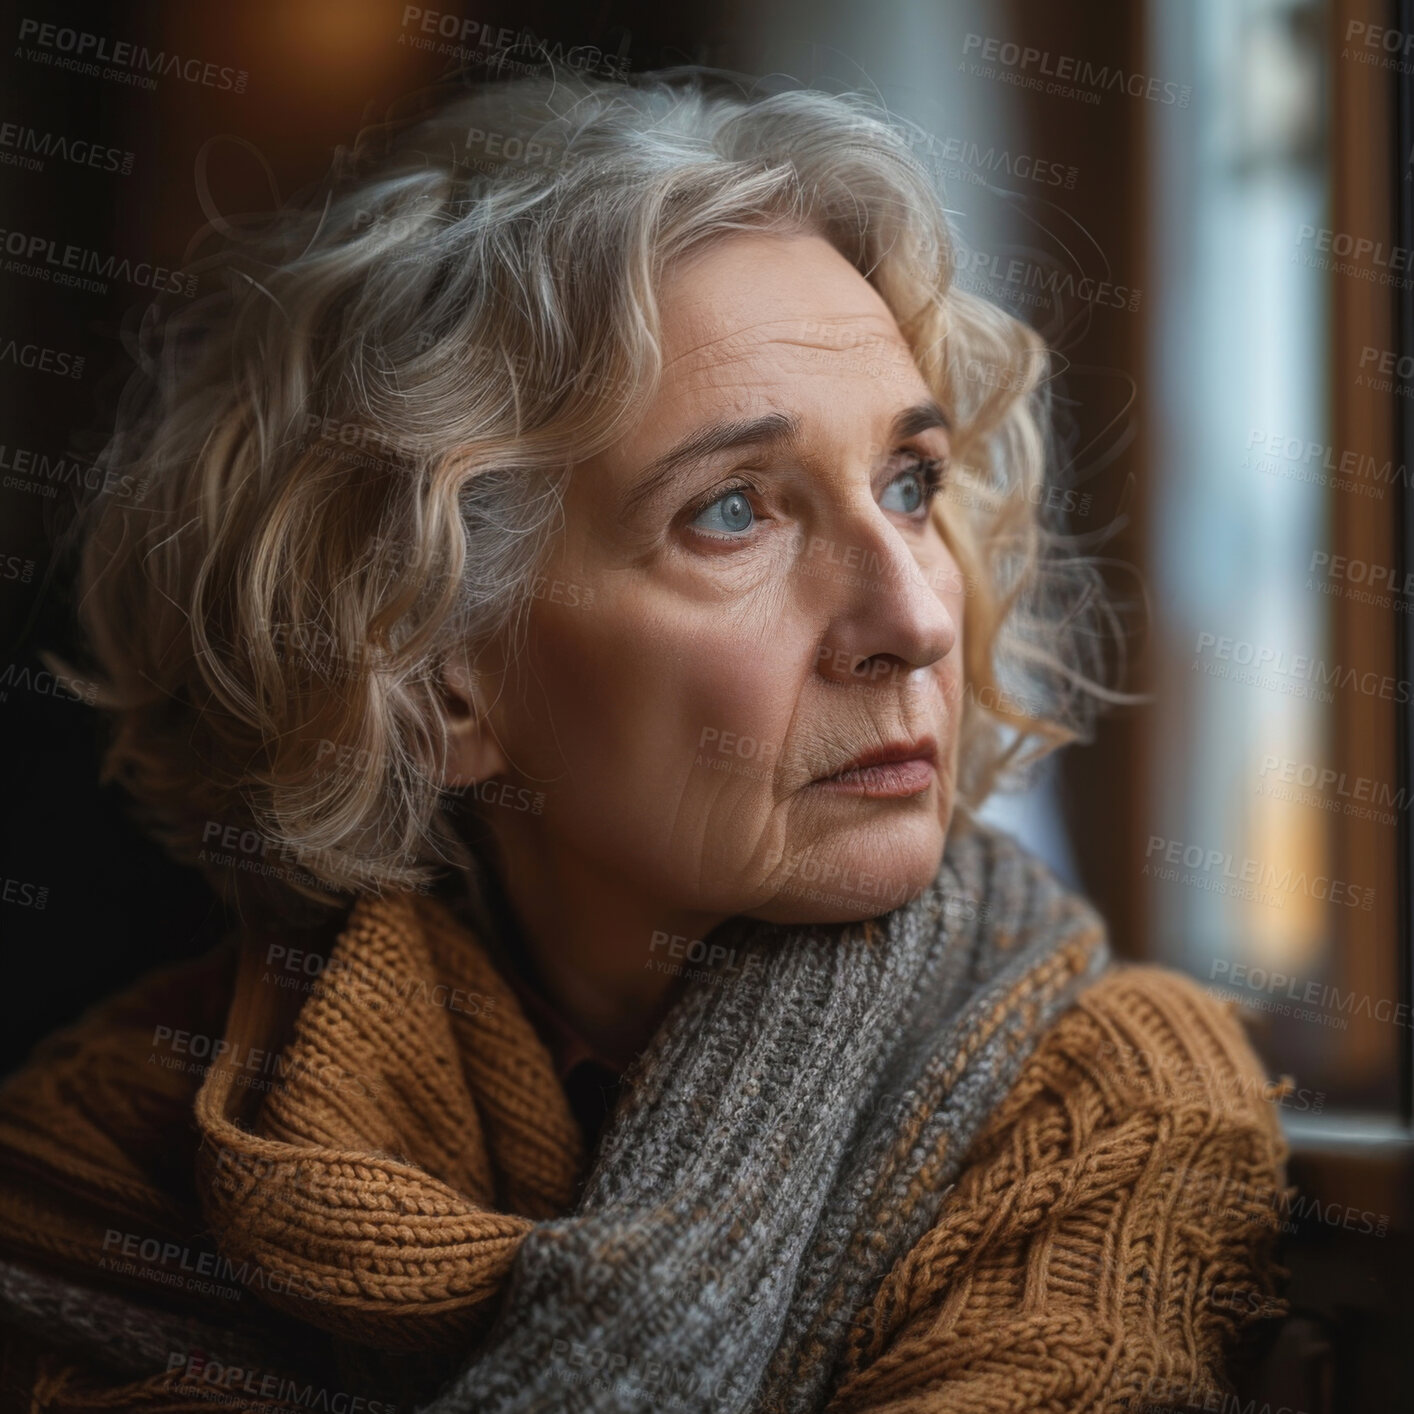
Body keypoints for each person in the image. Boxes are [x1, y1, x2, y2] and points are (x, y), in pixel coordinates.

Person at [0, 66, 1287, 1414]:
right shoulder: (104, 1153)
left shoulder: (1113, 1095)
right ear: (439, 679)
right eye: (734, 511)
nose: (913, 613)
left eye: (911, 484)